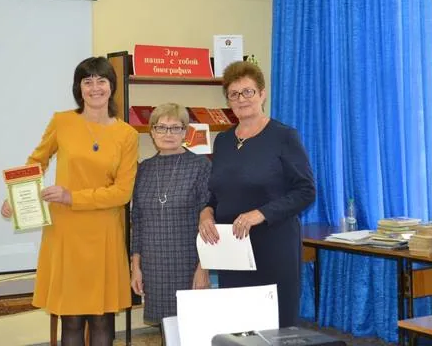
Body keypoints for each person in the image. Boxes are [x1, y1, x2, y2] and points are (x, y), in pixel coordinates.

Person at [1, 57, 138, 346]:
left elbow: (122, 193)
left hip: (104, 234)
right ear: (79, 88)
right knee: (71, 319)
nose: (95, 87)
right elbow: (36, 162)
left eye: (101, 80)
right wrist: (17, 195)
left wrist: (71, 196)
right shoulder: (61, 122)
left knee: (102, 319)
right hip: (65, 233)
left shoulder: (127, 135)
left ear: (112, 86)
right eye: (87, 81)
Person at [198, 61, 316, 328]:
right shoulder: (223, 141)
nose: (241, 99)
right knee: (238, 328)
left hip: (273, 248)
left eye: (248, 91)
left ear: (262, 94)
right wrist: (205, 213)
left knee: (275, 328)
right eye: (234, 94)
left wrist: (260, 214)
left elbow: (306, 191)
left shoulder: (284, 136)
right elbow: (216, 194)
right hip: (233, 251)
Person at [130, 103, 211, 325]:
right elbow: (137, 221)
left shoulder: (200, 166)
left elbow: (209, 221)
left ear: (185, 132)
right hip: (153, 266)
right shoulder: (143, 169)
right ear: (152, 132)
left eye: (175, 128)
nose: (168, 134)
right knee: (165, 328)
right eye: (161, 128)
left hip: (189, 263)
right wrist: (136, 267)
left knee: (190, 328)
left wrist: (204, 268)